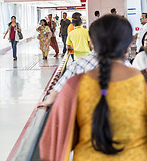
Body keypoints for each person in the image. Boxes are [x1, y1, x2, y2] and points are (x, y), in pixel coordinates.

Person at [40, 15, 147, 161]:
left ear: (92, 43)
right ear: (128, 46)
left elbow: (54, 140)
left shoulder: (76, 84)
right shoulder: (141, 82)